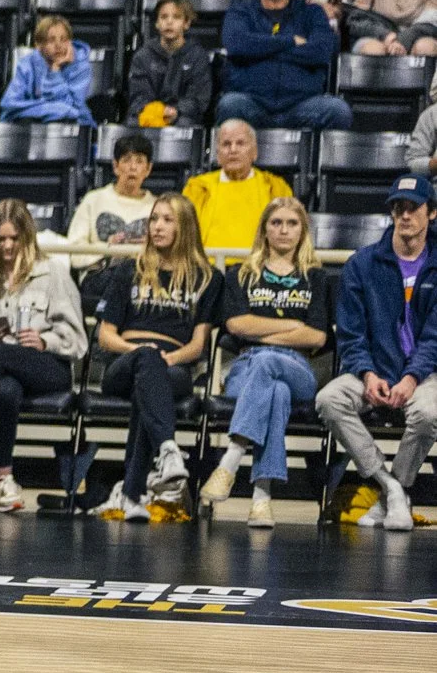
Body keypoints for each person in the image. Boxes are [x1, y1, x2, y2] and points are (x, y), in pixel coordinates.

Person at [316, 174, 437, 532]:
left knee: (429, 413)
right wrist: (368, 374)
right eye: (398, 208)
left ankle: (391, 496)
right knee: (329, 399)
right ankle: (391, 487)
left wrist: (412, 377)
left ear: (431, 213)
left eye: (413, 208)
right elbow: (351, 334)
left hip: (426, 372)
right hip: (374, 371)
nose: (404, 216)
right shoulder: (362, 264)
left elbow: (434, 337)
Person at [199, 197, 330, 528]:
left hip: (298, 368)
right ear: (264, 229)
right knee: (275, 394)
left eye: (291, 223)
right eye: (276, 223)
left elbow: (317, 338)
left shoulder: (315, 277)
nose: (283, 230)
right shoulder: (241, 274)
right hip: (246, 367)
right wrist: (293, 327)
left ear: (303, 230)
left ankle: (230, 461)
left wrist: (263, 330)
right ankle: (261, 499)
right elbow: (236, 326)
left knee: (271, 364)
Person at [94, 192, 218, 521]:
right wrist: (142, 353)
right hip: (124, 361)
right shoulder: (129, 270)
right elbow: (106, 336)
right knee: (146, 368)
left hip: (173, 365)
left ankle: (132, 494)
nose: (157, 227)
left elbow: (198, 344)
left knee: (146, 388)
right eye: (154, 219)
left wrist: (168, 359)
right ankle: (167, 450)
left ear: (185, 227)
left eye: (167, 220)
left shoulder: (206, 277)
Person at [0, 197, 87, 513]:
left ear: (27, 237)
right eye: (1, 238)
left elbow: (78, 341)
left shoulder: (52, 273)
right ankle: (4, 479)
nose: (7, 246)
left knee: (2, 355)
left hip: (49, 368)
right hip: (0, 369)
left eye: (14, 238)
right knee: (5, 389)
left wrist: (45, 341)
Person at [216, 0, 350, 131]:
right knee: (230, 104)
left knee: (338, 110)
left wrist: (261, 48)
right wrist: (290, 41)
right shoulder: (240, 11)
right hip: (252, 105)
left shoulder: (312, 13)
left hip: (302, 106)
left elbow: (320, 52)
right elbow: (238, 46)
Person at [185, 119, 297, 258]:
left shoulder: (275, 187)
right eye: (226, 144)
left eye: (240, 143)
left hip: (260, 269)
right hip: (208, 271)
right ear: (218, 154)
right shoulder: (198, 188)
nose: (233, 149)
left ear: (254, 152)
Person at [123, 0, 213, 129]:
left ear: (186, 23)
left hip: (183, 117)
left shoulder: (198, 56)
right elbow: (138, 97)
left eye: (176, 17)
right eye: (164, 17)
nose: (169, 22)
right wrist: (157, 111)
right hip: (150, 115)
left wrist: (176, 111)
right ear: (157, 23)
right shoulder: (142, 56)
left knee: (185, 124)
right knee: (131, 124)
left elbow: (198, 100)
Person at [0, 15, 97, 126]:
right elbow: (9, 104)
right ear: (38, 45)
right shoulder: (27, 63)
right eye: (51, 40)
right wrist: (48, 108)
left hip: (73, 127)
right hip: (34, 122)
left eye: (63, 39)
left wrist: (55, 71)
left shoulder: (80, 66)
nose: (58, 45)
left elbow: (72, 110)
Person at [70, 133, 159, 246]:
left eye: (139, 161)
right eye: (126, 160)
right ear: (115, 166)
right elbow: (75, 249)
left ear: (148, 169)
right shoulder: (93, 200)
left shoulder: (157, 206)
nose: (133, 167)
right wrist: (108, 248)